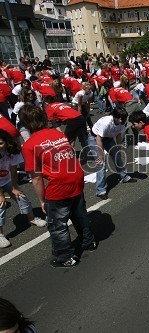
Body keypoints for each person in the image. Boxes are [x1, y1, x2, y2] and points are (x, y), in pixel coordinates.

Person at [19, 105, 97, 268]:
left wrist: (42, 200)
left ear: (26, 124)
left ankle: (66, 256)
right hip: (76, 176)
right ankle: (89, 242)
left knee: (57, 224)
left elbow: (36, 178)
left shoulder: (29, 145)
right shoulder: (58, 133)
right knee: (79, 214)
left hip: (59, 184)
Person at [0, 129, 46, 248]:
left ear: (7, 142)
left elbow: (14, 170)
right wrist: (0, 195)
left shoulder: (12, 151)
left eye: (1, 143)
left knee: (21, 196)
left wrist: (15, 187)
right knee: (1, 206)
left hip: (7, 179)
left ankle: (32, 218)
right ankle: (0, 235)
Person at [89, 107, 137, 200]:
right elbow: (99, 139)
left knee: (117, 156)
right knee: (101, 163)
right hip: (95, 139)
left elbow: (118, 134)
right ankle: (101, 190)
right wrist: (101, 154)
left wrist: (118, 147)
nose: (121, 120)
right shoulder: (106, 123)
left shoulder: (122, 122)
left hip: (108, 138)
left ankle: (124, 177)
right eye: (119, 118)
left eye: (123, 118)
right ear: (114, 117)